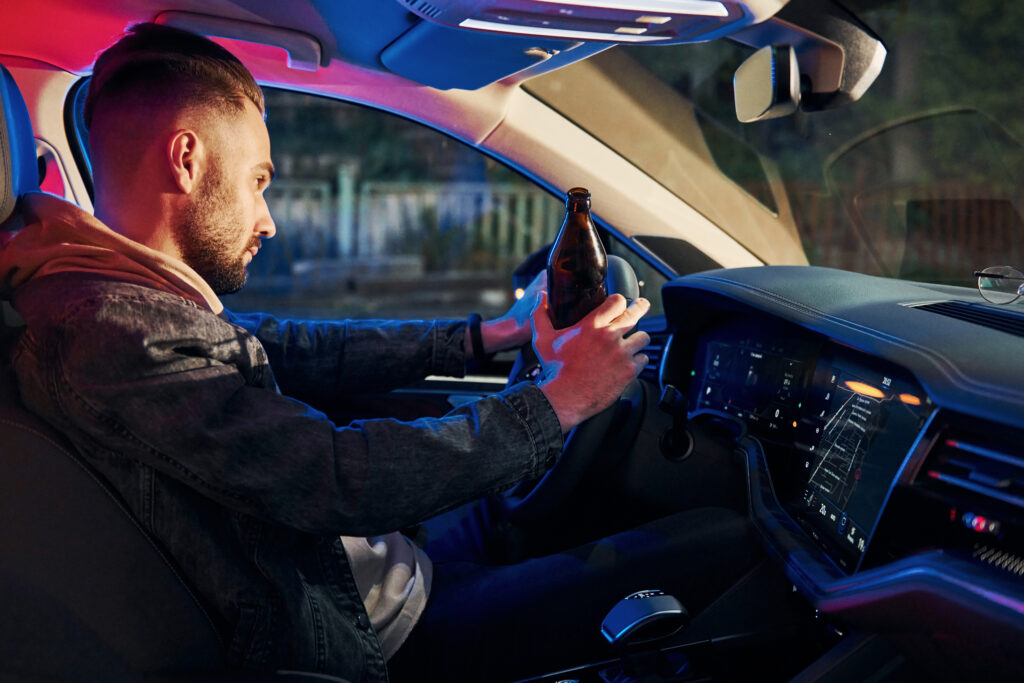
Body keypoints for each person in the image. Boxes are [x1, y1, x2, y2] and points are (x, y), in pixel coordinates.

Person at [0, 23, 758, 682]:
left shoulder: (120, 296)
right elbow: (334, 478)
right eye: (259, 181)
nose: (267, 220)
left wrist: (484, 337)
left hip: (364, 570)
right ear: (188, 159)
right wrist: (561, 401)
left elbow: (291, 346)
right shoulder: (112, 330)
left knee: (568, 523)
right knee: (726, 548)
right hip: (376, 636)